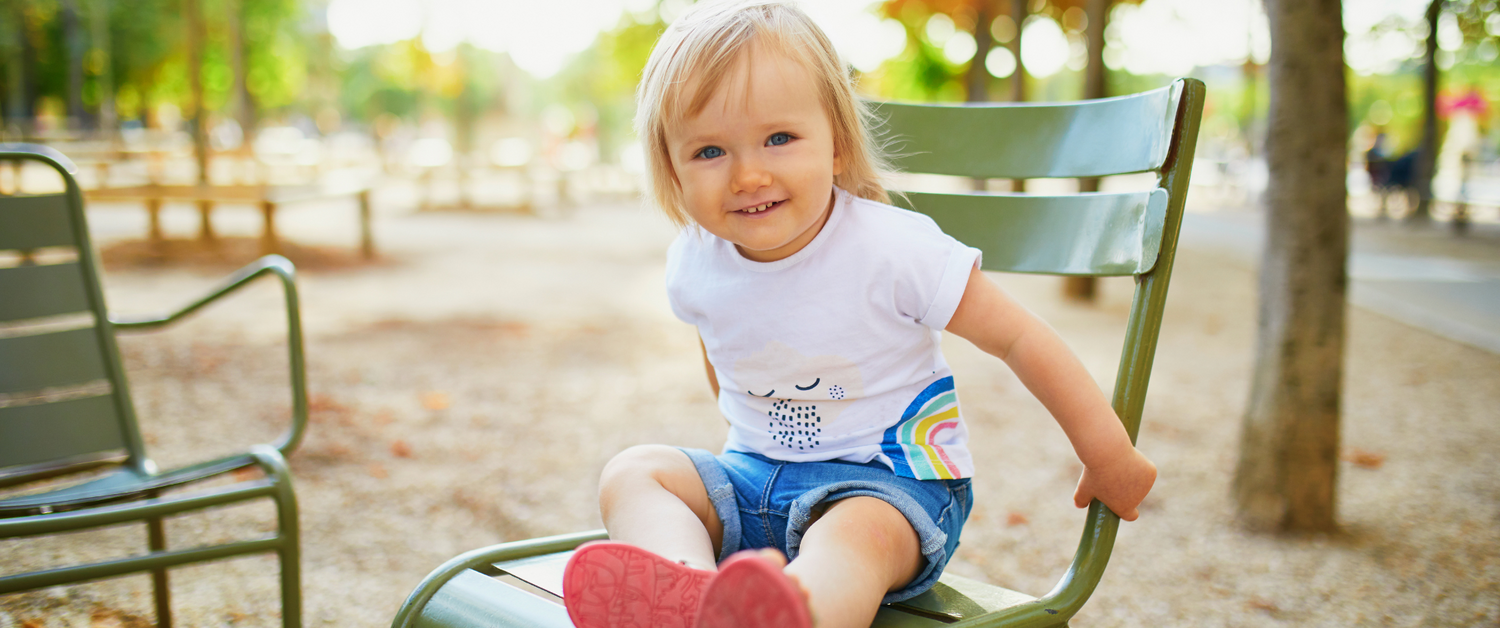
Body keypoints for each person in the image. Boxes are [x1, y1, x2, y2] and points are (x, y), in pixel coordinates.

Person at [560, 2, 1157, 627]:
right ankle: (690, 592)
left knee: (851, 537)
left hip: (889, 487)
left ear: (838, 144)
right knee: (633, 472)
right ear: (672, 171)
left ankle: (798, 613)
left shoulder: (892, 248)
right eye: (709, 151)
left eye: (779, 138)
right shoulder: (694, 261)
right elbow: (721, 352)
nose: (748, 173)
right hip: (752, 479)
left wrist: (1107, 452)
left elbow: (1018, 338)